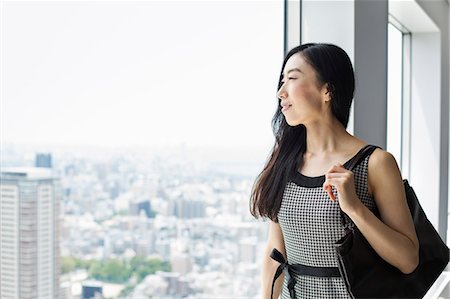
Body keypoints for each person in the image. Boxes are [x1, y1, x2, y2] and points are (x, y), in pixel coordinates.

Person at [249, 43, 419, 299]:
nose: (281, 92)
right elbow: (276, 253)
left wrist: (354, 208)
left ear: (327, 90)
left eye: (292, 78)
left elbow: (408, 259)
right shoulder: (283, 163)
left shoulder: (375, 163)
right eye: (281, 81)